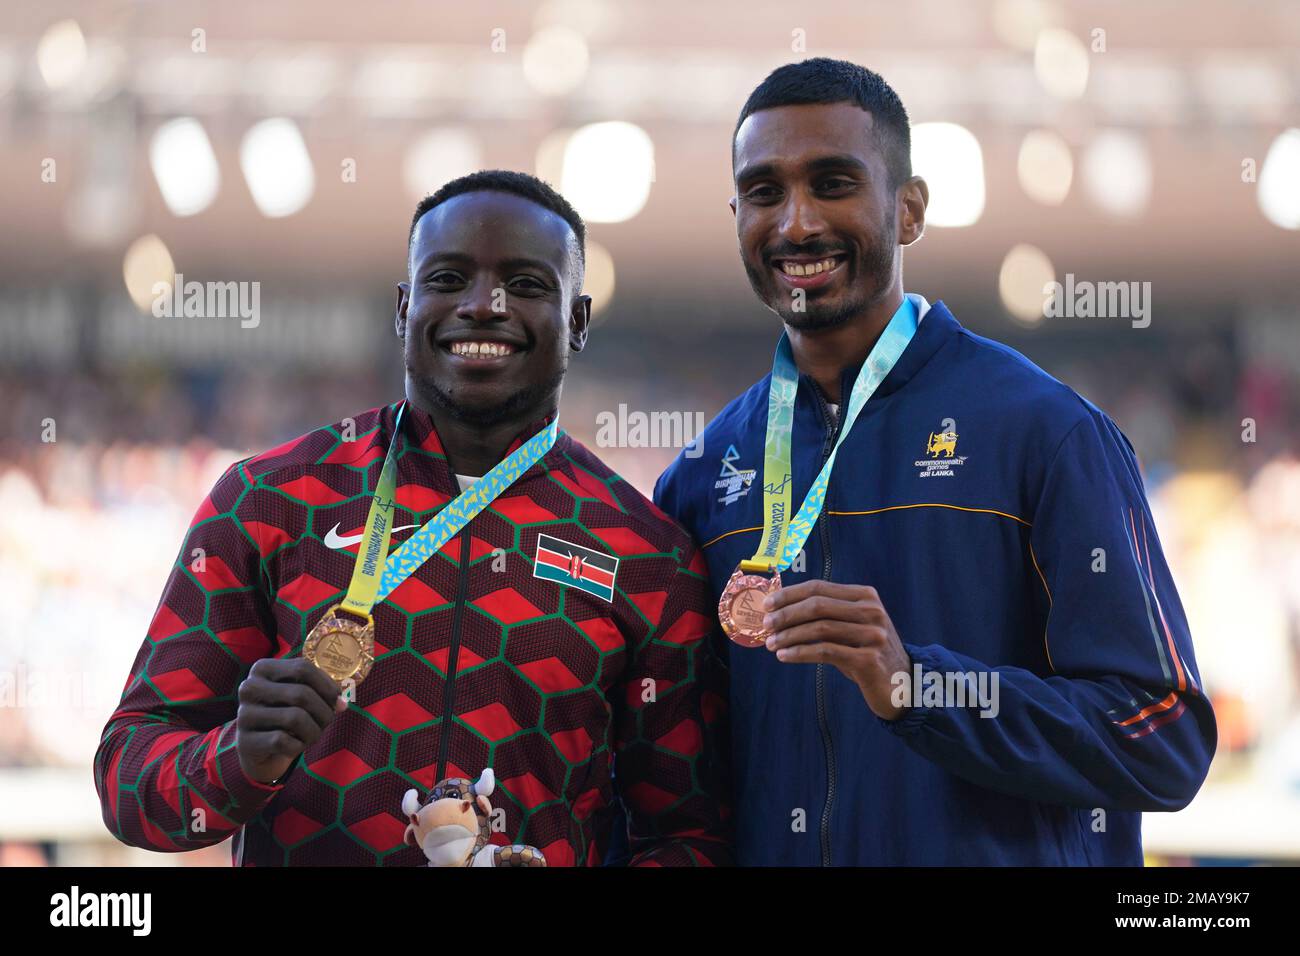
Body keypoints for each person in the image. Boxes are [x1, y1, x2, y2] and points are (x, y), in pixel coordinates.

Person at [654, 58, 1216, 865]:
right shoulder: (704, 474)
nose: (798, 223)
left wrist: (923, 687)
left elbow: (1162, 736)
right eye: (766, 192)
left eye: (834, 182)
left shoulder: (1047, 432)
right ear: (737, 215)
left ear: (908, 210)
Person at [95, 170, 729, 867]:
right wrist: (238, 758)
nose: (484, 306)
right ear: (404, 309)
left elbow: (685, 835)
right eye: (450, 278)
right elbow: (128, 778)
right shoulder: (272, 500)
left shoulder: (646, 553)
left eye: (525, 284)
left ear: (576, 322)